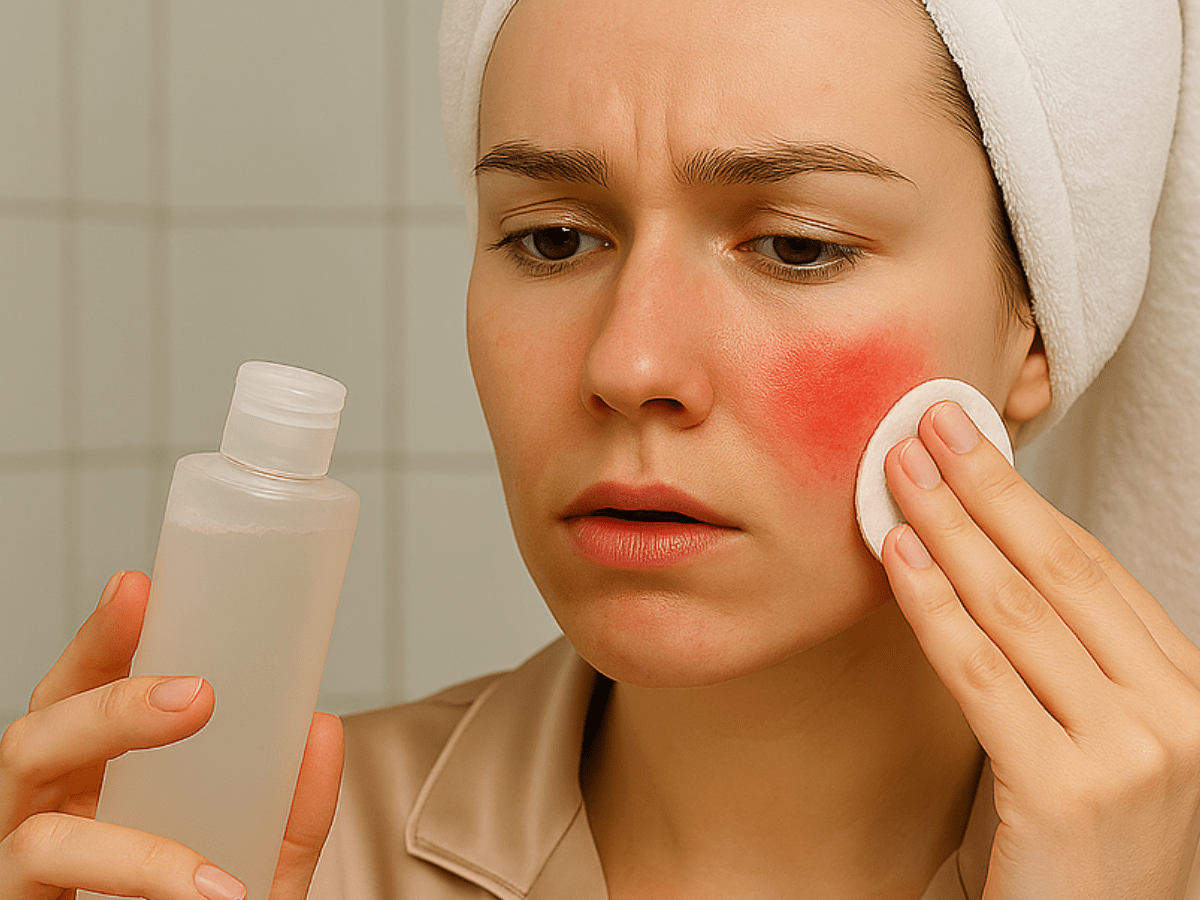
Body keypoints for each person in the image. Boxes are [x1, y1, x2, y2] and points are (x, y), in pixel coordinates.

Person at [3, 0, 1198, 897]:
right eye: (555, 238)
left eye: (794, 247)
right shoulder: (250, 859)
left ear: (1034, 324)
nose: (629, 364)